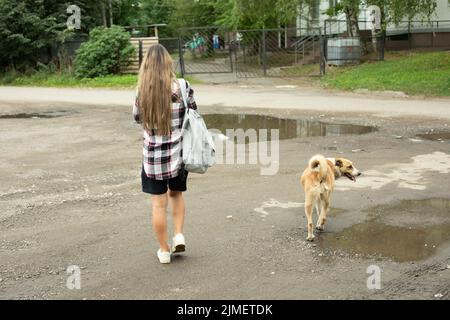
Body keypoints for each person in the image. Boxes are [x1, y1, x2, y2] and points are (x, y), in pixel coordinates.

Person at [133, 44, 197, 264]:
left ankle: (163, 251)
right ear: (169, 63)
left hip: (152, 158)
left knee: (158, 205)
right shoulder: (182, 86)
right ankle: (179, 234)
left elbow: (137, 118)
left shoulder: (142, 91)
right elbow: (194, 113)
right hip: (179, 156)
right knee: (176, 195)